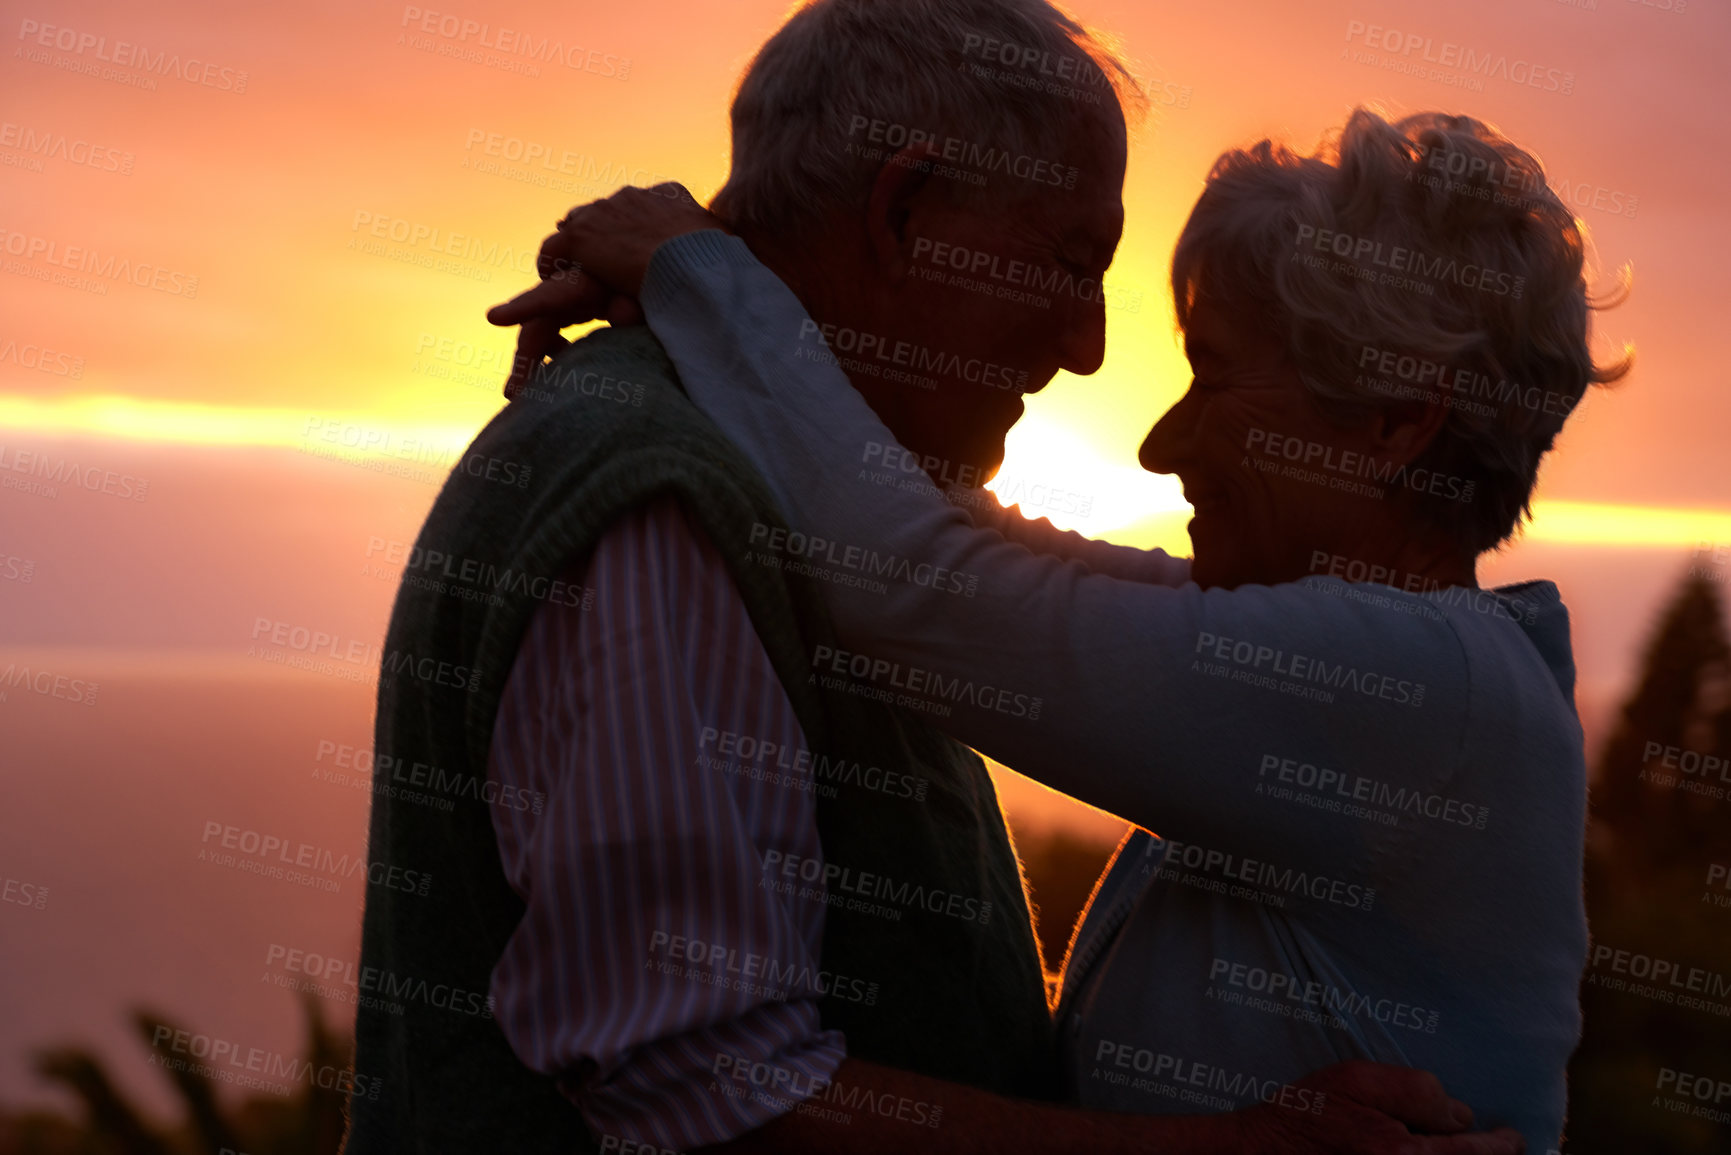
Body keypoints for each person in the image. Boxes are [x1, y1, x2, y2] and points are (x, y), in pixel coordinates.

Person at [494, 102, 1626, 1153]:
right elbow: (965, 541)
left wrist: (705, 276)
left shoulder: (1419, 691)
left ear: (1392, 423)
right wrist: (721, 327)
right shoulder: (1380, 661)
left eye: (1217, 381)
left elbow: (914, 584)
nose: (1160, 447)